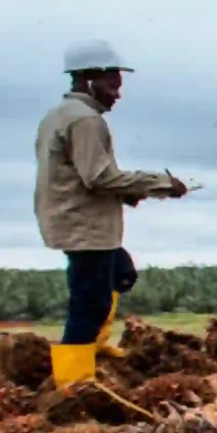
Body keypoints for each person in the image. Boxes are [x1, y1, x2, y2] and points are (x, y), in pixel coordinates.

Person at [33, 42, 187, 387]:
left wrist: (130, 193)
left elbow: (76, 173)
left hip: (74, 217)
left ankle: (96, 347)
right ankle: (73, 385)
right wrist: (159, 184)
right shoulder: (85, 121)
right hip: (83, 225)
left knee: (120, 271)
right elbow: (99, 177)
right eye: (112, 85)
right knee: (89, 303)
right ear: (88, 81)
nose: (117, 94)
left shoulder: (59, 115)